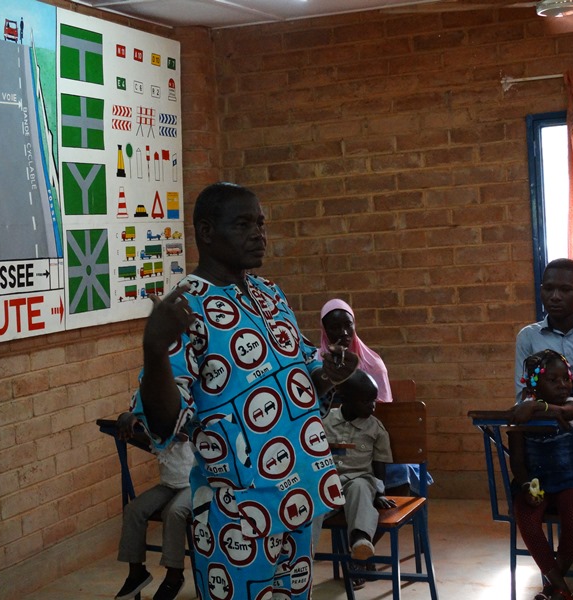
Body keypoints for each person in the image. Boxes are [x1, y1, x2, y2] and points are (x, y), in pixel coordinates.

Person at [131, 182, 354, 599]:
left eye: (261, 224)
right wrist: (154, 351)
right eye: (243, 224)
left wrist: (329, 374)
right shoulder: (186, 309)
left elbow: (304, 380)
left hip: (299, 497)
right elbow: (162, 424)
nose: (258, 234)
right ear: (206, 231)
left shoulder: (270, 295)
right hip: (236, 515)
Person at [319, 299, 432, 497]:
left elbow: (383, 412)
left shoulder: (372, 364)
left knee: (399, 470)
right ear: (324, 331)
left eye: (348, 325)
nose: (343, 333)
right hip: (332, 443)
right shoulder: (317, 366)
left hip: (368, 442)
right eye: (335, 328)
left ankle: (384, 513)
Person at [508, 349, 573, 600]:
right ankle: (560, 589)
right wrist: (526, 485)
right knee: (526, 517)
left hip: (571, 480)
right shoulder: (519, 412)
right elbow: (517, 461)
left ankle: (552, 587)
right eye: (553, 380)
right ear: (534, 385)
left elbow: (566, 412)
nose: (562, 385)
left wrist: (536, 406)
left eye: (566, 378)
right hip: (535, 481)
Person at [311, 370, 396, 589]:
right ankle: (305, 554)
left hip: (359, 480)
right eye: (366, 401)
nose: (372, 406)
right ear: (345, 399)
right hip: (329, 483)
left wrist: (380, 492)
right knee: (313, 502)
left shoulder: (375, 428)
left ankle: (360, 540)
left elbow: (379, 464)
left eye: (373, 401)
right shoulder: (325, 421)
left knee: (360, 489)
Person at [114, 412, 193, 600]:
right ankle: (136, 573)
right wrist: (131, 417)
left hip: (193, 484)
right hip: (168, 484)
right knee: (133, 510)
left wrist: (153, 425)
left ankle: (174, 576)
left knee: (173, 512)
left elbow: (182, 433)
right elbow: (143, 413)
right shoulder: (154, 409)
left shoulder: (188, 409)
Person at [515, 258, 573, 403]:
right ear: (541, 291)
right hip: (546, 415)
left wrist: (549, 388)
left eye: (565, 290)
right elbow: (525, 395)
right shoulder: (528, 337)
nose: (555, 297)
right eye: (548, 289)